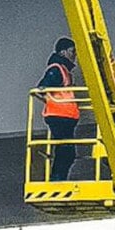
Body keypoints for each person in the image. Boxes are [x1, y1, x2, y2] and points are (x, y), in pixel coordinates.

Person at [37, 37, 80, 181]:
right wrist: (52, 102)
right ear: (63, 52)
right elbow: (41, 89)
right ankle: (57, 180)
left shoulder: (65, 71)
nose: (75, 55)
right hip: (59, 117)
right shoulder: (57, 69)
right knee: (65, 151)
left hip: (65, 118)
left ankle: (58, 179)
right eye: (72, 51)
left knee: (66, 151)